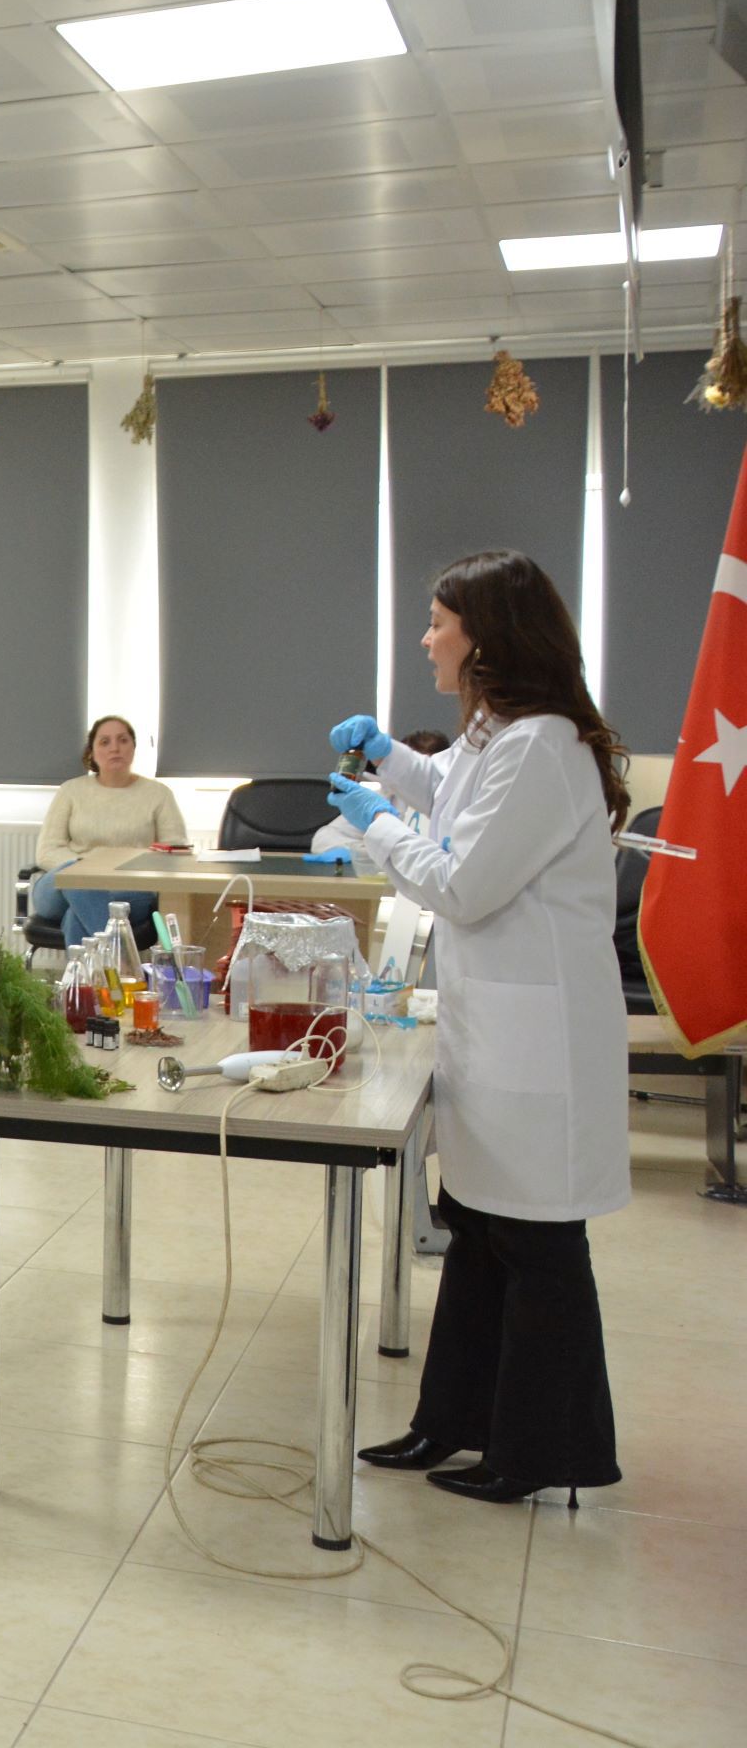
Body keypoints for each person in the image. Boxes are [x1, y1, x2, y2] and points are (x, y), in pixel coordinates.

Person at [338, 551, 631, 1506]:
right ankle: (449, 1423)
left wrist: (377, 825)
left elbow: (463, 882)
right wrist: (389, 760)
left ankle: (537, 1453)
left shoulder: (544, 743)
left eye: (436, 622)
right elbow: (455, 796)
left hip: (538, 1041)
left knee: (537, 1247)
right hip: (497, 1031)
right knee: (476, 1229)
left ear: (485, 636)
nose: (425, 638)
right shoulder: (499, 732)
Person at [30, 716, 187, 945]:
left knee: (77, 915)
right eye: (105, 742)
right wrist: (89, 867)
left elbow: (176, 851)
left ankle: (84, 980)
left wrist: (122, 869)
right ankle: (120, 958)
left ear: (133, 748)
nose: (115, 748)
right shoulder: (70, 791)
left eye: (123, 740)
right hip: (62, 885)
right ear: (92, 752)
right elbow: (47, 851)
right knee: (82, 883)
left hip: (129, 887)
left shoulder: (158, 794)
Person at [313, 729, 452, 860]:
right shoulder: (384, 797)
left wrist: (382, 854)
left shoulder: (455, 806)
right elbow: (324, 838)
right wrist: (364, 854)